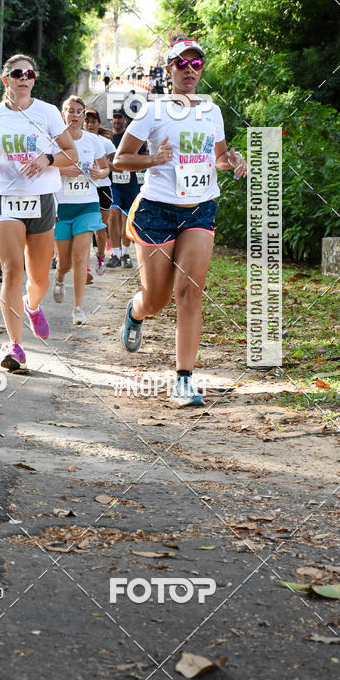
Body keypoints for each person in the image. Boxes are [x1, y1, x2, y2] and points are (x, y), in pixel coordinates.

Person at [114, 35, 247, 406]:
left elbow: (218, 158)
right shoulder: (152, 111)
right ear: (169, 69)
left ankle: (184, 379)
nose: (190, 70)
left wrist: (234, 161)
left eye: (196, 64)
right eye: (182, 64)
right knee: (156, 300)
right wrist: (152, 160)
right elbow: (121, 160)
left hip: (200, 209)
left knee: (189, 292)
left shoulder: (211, 110)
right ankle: (135, 311)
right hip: (157, 211)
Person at [0, 54, 77, 371]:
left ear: (34, 78)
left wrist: (47, 159)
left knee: (39, 278)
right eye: (17, 73)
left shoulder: (47, 112)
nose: (24, 78)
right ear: (5, 78)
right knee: (12, 271)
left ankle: (33, 305)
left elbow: (70, 153)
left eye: (29, 73)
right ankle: (15, 346)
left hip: (41, 198)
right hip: (5, 197)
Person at [52, 97, 108, 324]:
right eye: (70, 111)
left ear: (83, 116)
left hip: (88, 205)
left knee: (80, 256)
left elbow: (105, 168)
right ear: (63, 114)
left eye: (78, 112)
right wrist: (62, 171)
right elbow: (43, 168)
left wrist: (99, 174)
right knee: (65, 262)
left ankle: (78, 308)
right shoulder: (53, 141)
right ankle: (59, 277)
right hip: (62, 207)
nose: (74, 115)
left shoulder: (93, 141)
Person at [106, 110, 147, 269]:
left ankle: (126, 253)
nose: (117, 120)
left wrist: (129, 163)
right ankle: (115, 255)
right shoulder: (107, 139)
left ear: (125, 120)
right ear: (112, 120)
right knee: (112, 215)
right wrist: (114, 166)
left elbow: (144, 155)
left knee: (127, 219)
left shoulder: (131, 137)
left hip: (131, 185)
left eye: (120, 117)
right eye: (115, 117)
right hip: (113, 185)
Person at [83, 108, 115, 276]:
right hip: (84, 187)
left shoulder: (105, 142)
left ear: (98, 123)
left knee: (100, 229)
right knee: (84, 228)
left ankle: (101, 257)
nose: (90, 125)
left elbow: (118, 164)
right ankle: (85, 264)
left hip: (102, 187)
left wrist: (102, 166)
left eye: (93, 122)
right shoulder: (77, 140)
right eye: (87, 121)